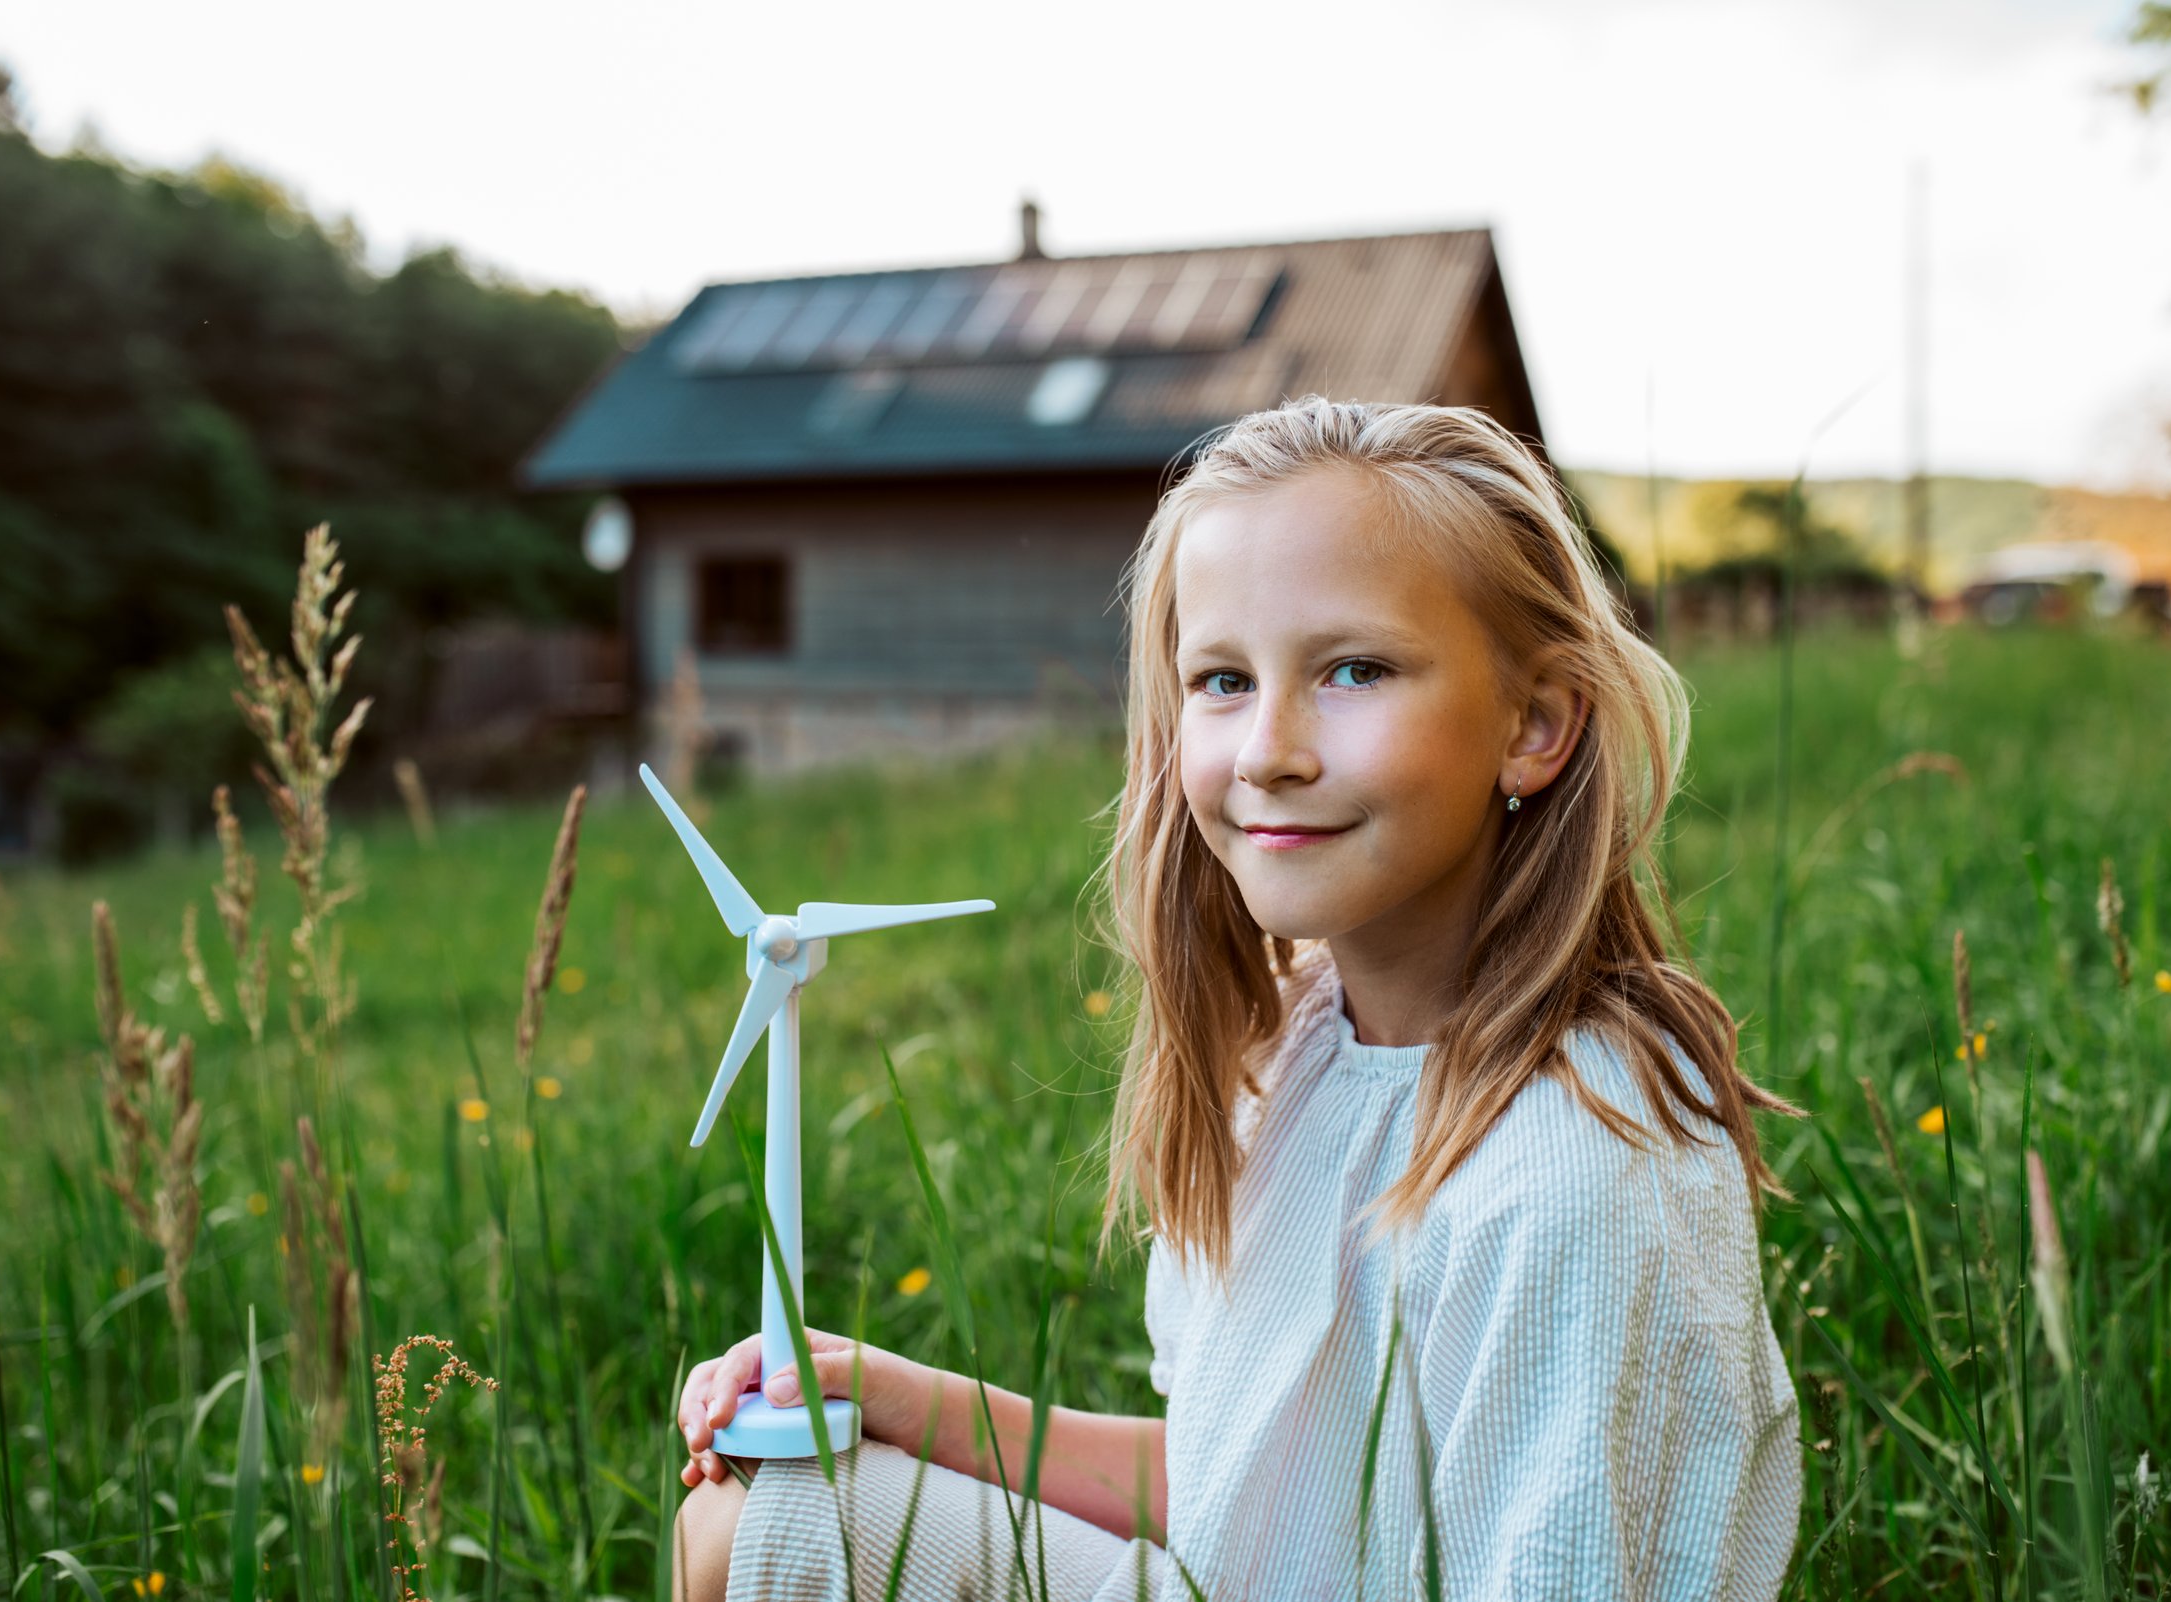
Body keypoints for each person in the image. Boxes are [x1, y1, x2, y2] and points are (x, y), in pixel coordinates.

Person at [671, 397, 1804, 1601]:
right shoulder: (1303, 1049)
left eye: (1353, 669)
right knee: (768, 1503)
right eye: (1222, 680)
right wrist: (924, 1406)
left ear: (1534, 724)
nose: (1269, 748)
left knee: (761, 1532)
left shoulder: (1576, 1174)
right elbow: (1249, 1496)